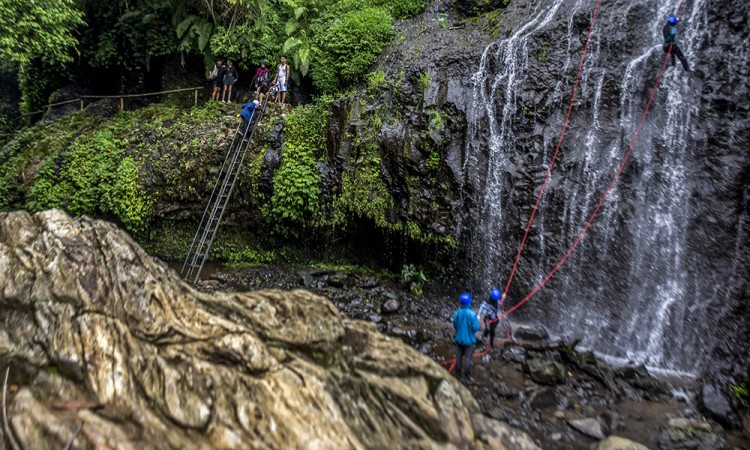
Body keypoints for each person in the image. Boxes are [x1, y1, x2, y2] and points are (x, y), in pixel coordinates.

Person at [453, 292, 479, 382]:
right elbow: (475, 328)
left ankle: (457, 375)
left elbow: (455, 325)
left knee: (459, 357)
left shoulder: (457, 313)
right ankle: (467, 377)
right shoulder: (472, 314)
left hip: (459, 339)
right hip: (469, 341)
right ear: (469, 302)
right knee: (468, 358)